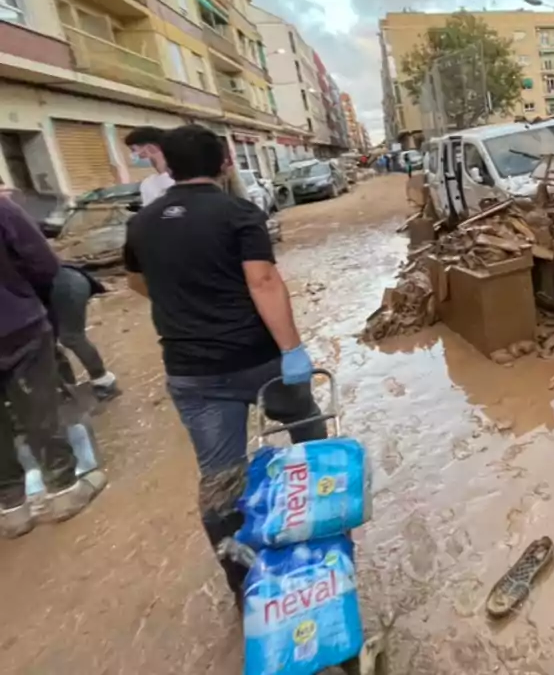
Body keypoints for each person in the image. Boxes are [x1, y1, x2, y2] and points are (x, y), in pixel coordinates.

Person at [123, 124, 324, 599]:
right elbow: (264, 282)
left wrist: (183, 298)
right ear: (224, 164)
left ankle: (245, 586)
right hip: (258, 359)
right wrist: (292, 349)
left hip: (191, 371)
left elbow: (136, 284)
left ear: (168, 167)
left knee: (220, 477)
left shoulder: (142, 222)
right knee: (307, 428)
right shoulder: (238, 212)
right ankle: (321, 527)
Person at [1, 189, 105, 539]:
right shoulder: (3, 209)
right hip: (16, 327)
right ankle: (63, 490)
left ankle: (12, 510)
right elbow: (45, 265)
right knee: (39, 409)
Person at [50, 264, 119, 402]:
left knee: (71, 337)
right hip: (65, 285)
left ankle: (104, 381)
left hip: (66, 288)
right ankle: (67, 386)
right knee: (48, 343)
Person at [124, 126, 174, 207]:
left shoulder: (182, 180)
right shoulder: (148, 183)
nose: (132, 155)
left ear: (151, 148)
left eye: (134, 150)